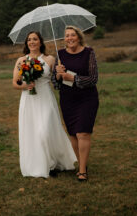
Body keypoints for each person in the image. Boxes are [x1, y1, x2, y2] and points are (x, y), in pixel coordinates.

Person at [13, 31, 77, 178]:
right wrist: (25, 85)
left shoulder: (50, 59)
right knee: (33, 133)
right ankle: (43, 165)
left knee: (45, 131)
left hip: (46, 98)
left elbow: (57, 81)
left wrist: (60, 73)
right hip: (29, 99)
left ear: (40, 42)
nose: (32, 42)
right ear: (26, 43)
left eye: (35, 39)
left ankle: (53, 162)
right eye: (29, 40)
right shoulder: (21, 60)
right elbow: (15, 82)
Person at [52, 26, 99, 182]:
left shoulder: (89, 52)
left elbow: (93, 79)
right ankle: (82, 165)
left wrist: (72, 78)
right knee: (73, 134)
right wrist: (58, 74)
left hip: (87, 98)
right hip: (68, 99)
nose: (70, 38)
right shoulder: (59, 55)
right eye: (67, 36)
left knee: (83, 133)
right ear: (64, 39)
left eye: (73, 35)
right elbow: (55, 83)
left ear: (79, 37)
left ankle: (82, 171)